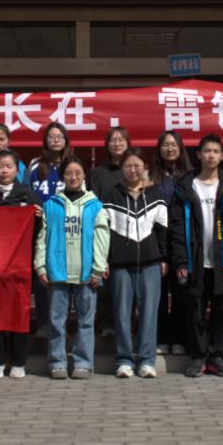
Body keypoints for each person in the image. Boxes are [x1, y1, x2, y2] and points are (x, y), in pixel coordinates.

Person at [33, 156, 109, 379]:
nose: (73, 177)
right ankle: (57, 362)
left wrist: (98, 268)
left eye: (77, 173)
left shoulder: (95, 205)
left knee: (86, 321)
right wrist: (40, 266)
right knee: (56, 321)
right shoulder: (51, 205)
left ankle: (83, 363)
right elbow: (42, 238)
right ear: (62, 176)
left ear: (85, 175)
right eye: (68, 173)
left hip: (86, 273)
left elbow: (102, 239)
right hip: (57, 272)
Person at [170, 134, 223, 378]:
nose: (211, 155)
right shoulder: (185, 187)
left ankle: (218, 356)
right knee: (195, 311)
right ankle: (197, 356)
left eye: (216, 151)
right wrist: (180, 260)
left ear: (222, 156)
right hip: (195, 259)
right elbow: (177, 228)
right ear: (198, 155)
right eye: (207, 151)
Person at [0, 149, 42, 379]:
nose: (4, 171)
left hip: (19, 265)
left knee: (18, 311)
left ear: (17, 170)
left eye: (9, 166)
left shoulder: (27, 195)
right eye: (0, 166)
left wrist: (38, 218)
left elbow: (38, 231)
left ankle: (18, 362)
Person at [102, 149, 169, 378]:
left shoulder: (156, 194)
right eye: (128, 166)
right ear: (122, 169)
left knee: (149, 313)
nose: (133, 170)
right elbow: (104, 232)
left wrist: (163, 258)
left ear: (145, 167)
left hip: (150, 264)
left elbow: (163, 230)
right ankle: (124, 360)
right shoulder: (112, 195)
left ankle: (147, 360)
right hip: (120, 265)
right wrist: (105, 260)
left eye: (137, 165)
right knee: (122, 314)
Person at [148, 130, 194, 356]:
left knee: (181, 292)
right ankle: (161, 338)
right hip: (157, 239)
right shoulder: (150, 176)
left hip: (183, 241)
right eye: (165, 145)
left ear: (180, 148)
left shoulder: (191, 176)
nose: (169, 148)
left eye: (173, 145)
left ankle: (179, 338)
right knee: (158, 293)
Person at [28, 122, 75, 334]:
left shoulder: (72, 164)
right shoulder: (35, 164)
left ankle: (62, 323)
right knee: (42, 277)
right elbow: (28, 191)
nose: (55, 140)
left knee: (65, 276)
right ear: (45, 140)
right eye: (51, 136)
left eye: (59, 136)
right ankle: (44, 322)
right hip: (41, 228)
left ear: (66, 140)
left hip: (67, 228)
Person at [90, 127, 132, 340]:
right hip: (105, 230)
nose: (117, 143)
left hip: (130, 230)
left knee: (127, 281)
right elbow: (94, 204)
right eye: (113, 140)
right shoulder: (98, 173)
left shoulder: (133, 169)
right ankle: (106, 324)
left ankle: (126, 324)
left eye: (121, 139)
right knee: (105, 279)